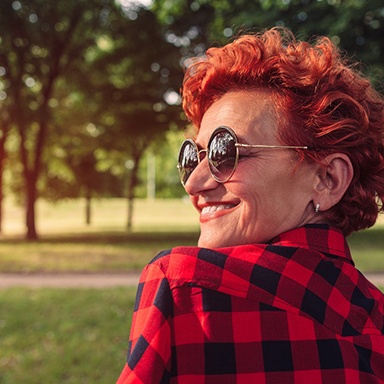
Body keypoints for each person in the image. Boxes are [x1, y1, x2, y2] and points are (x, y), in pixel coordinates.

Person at [117, 27, 384, 383]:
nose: (194, 184)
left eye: (225, 152)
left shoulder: (186, 289)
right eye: (193, 156)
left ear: (327, 179)